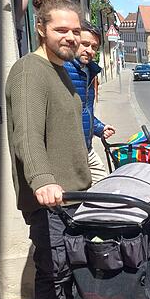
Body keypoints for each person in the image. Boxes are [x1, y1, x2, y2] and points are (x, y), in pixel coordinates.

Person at [5, 0, 91, 299]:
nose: (70, 37)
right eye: (61, 30)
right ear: (41, 28)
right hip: (50, 198)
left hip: (73, 193)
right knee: (53, 269)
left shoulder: (61, 71)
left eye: (75, 31)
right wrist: (42, 180)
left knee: (72, 264)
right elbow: (26, 134)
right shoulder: (30, 71)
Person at [64, 23, 116, 183]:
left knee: (103, 187)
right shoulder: (65, 69)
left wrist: (99, 128)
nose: (90, 51)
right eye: (85, 44)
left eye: (94, 47)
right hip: (70, 151)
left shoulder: (88, 70)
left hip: (86, 147)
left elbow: (84, 109)